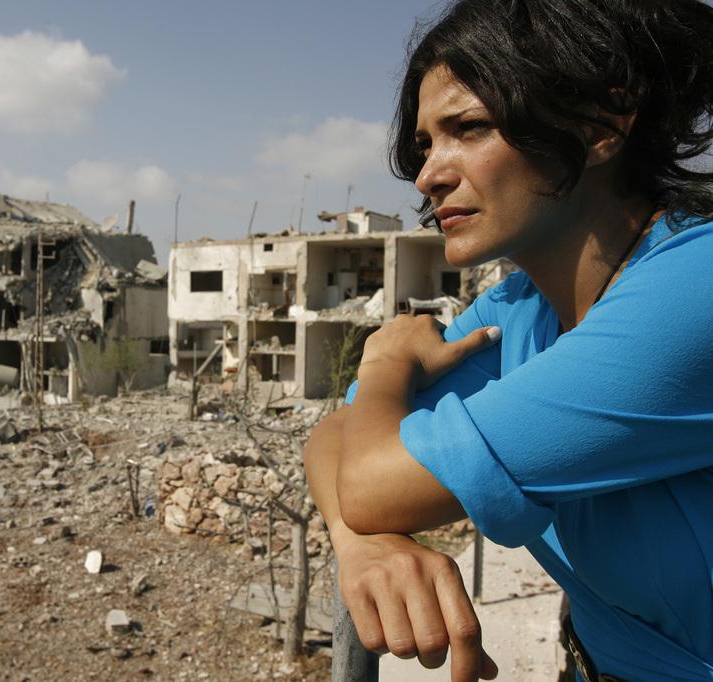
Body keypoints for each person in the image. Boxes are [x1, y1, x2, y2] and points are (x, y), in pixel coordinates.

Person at [303, 1, 713, 680]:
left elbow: (371, 476)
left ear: (601, 125)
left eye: (466, 128)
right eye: (424, 145)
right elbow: (342, 435)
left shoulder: (691, 291)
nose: (429, 174)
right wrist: (359, 545)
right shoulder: (520, 308)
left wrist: (383, 360)